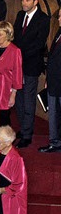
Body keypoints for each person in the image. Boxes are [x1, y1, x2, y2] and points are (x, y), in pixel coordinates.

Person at [13, 0, 49, 148]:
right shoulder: (21, 15)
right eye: (22, 0)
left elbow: (38, 44)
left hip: (31, 65)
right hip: (17, 65)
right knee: (18, 99)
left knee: (28, 100)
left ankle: (27, 135)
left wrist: (20, 56)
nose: (24, 3)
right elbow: (15, 37)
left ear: (36, 2)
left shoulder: (43, 19)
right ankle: (23, 127)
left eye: (27, 1)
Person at [0, 21, 22, 127]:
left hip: (4, 89)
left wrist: (13, 94)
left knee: (3, 118)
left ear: (8, 35)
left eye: (0, 34)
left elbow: (17, 73)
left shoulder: (15, 51)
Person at [41, 9, 61, 153]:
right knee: (53, 114)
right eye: (59, 16)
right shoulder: (59, 32)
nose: (59, 19)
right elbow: (52, 57)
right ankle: (55, 142)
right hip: (54, 82)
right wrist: (48, 78)